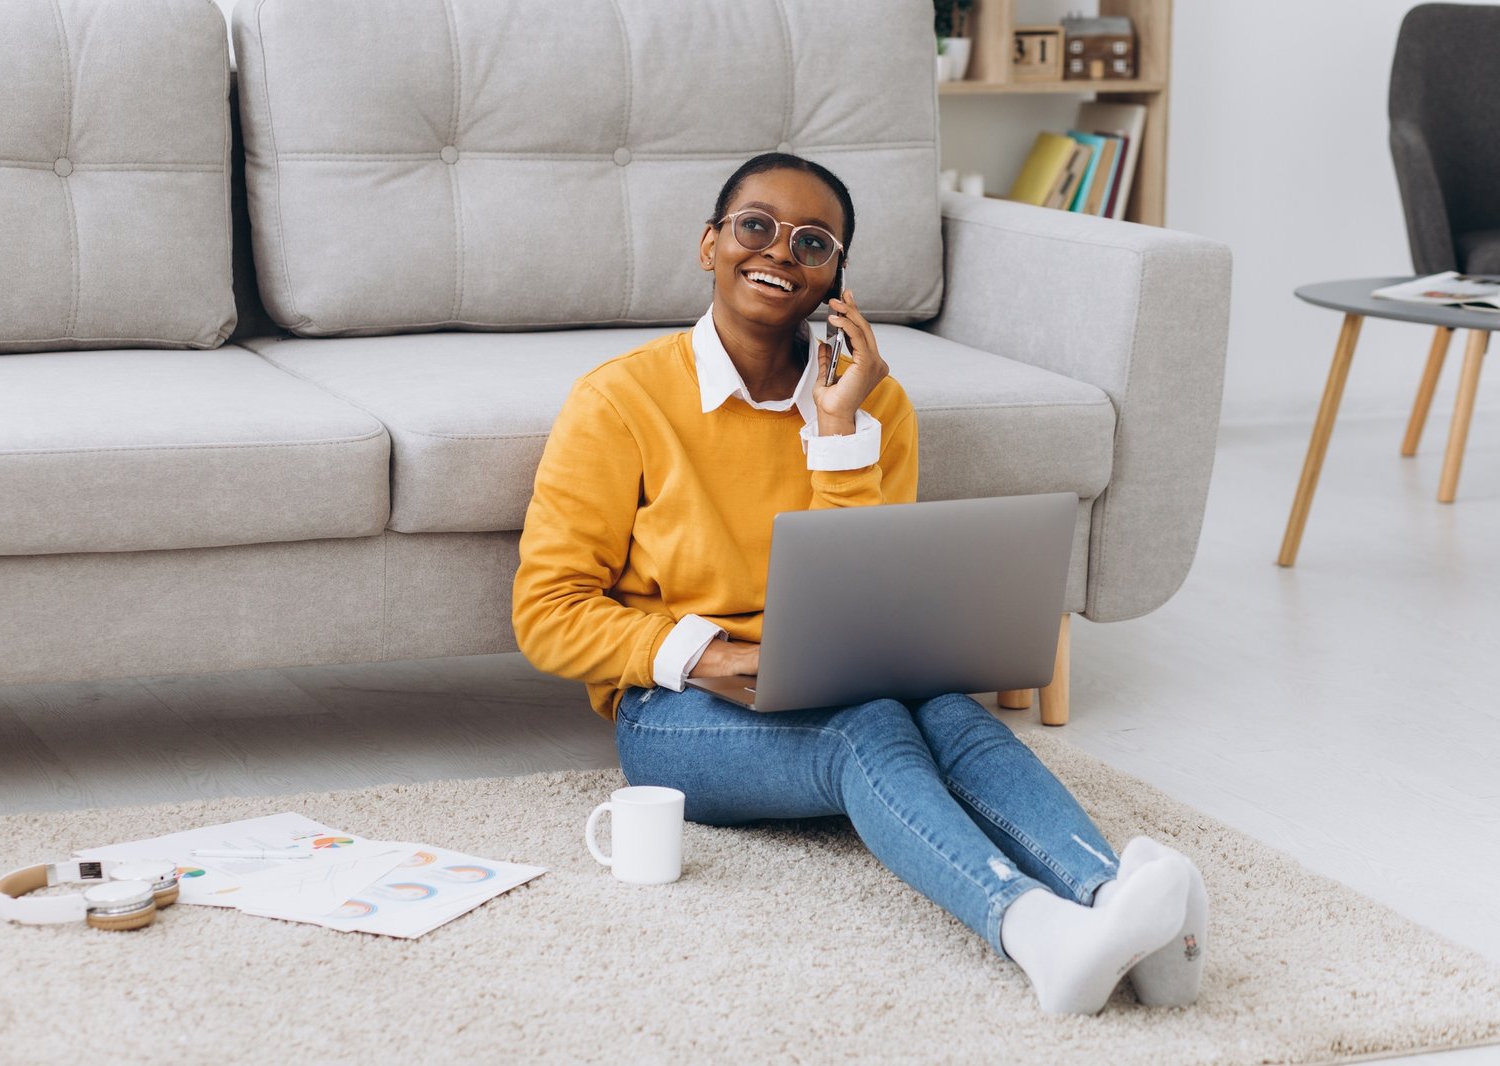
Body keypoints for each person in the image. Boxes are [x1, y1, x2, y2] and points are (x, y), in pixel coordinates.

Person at [512, 152, 1209, 1015]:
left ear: (836, 280)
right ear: (709, 245)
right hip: (673, 713)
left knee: (953, 711)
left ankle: (1119, 909)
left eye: (814, 242)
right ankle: (1034, 928)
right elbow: (546, 613)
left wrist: (837, 428)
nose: (778, 252)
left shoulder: (877, 408)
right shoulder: (619, 401)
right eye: (754, 226)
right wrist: (703, 655)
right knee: (865, 731)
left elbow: (861, 587)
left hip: (833, 674)